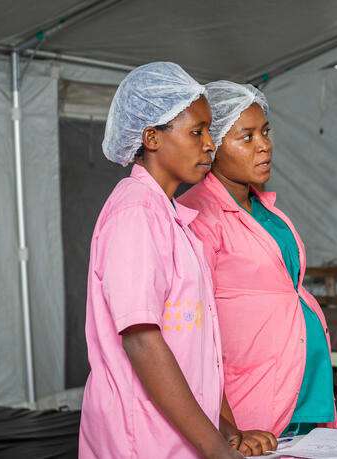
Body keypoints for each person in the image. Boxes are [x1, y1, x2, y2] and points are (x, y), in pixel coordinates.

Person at [79, 62, 243, 459]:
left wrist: (218, 425)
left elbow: (186, 340)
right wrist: (214, 447)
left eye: (209, 131)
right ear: (151, 137)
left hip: (176, 435)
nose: (210, 144)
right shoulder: (135, 212)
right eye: (196, 131)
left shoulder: (167, 214)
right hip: (141, 438)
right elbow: (142, 340)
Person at [179, 81, 336, 440]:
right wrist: (227, 427)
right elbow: (194, 335)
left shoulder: (266, 209)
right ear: (212, 144)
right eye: (246, 137)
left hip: (304, 385)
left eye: (265, 132)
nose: (264, 145)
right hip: (250, 398)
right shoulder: (197, 215)